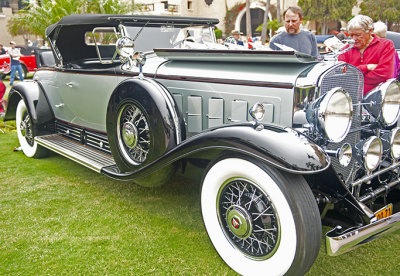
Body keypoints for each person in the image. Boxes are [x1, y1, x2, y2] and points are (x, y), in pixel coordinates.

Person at [338, 15, 395, 95]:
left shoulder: (386, 45)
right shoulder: (346, 49)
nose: (353, 39)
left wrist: (353, 76)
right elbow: (341, 75)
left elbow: (385, 74)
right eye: (351, 35)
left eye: (358, 35)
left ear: (370, 31)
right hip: (350, 97)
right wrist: (366, 67)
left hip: (377, 97)